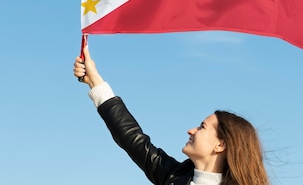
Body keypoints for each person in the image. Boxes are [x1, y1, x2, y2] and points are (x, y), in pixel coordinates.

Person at [73, 46, 270, 185]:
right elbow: (132, 139)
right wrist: (95, 81)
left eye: (202, 127)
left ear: (221, 145)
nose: (191, 130)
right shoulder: (173, 176)